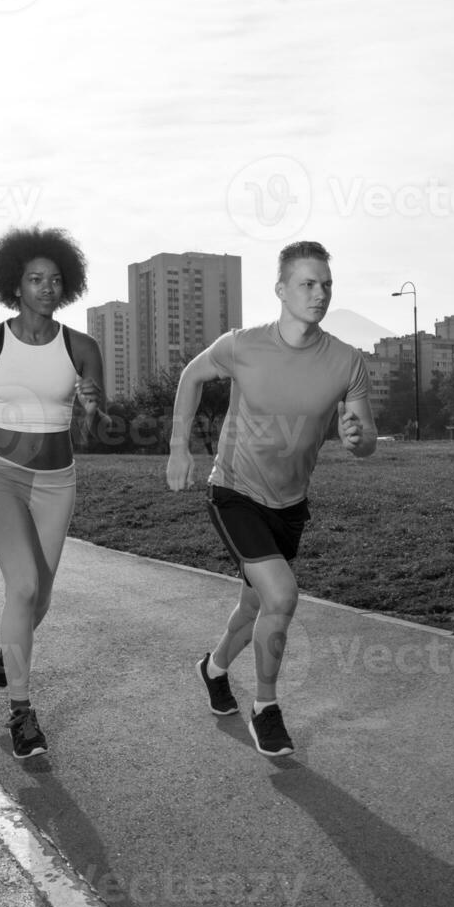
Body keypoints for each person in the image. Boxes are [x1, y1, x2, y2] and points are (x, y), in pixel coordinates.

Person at [166, 240, 377, 757]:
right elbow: (192, 375)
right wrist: (178, 448)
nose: (319, 293)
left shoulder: (347, 361)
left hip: (290, 503)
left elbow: (366, 437)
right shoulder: (244, 345)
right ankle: (266, 707)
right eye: (307, 283)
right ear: (281, 290)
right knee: (281, 596)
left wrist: (358, 440)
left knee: (255, 604)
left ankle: (213, 669)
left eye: (326, 283)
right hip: (234, 490)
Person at [0, 226, 104, 760]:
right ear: (15, 285)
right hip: (0, 476)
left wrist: (94, 409)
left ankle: (11, 647)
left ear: (66, 286)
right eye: (35, 279)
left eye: (55, 280)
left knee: (42, 596)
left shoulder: (82, 346)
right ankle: (21, 714)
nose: (46, 288)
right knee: (25, 586)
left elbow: (92, 429)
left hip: (58, 480)